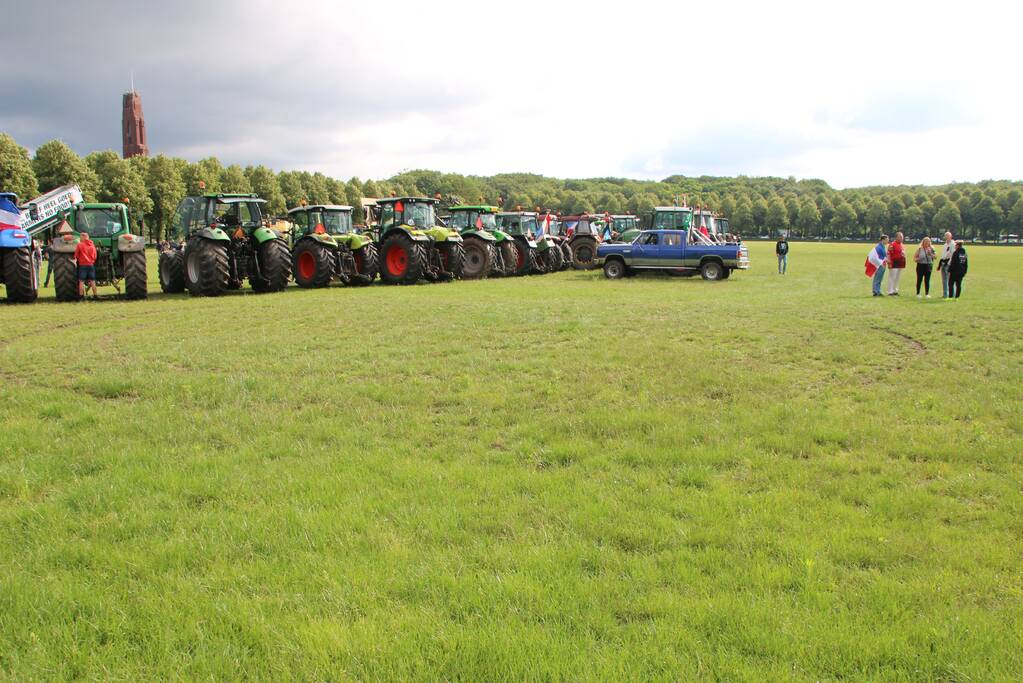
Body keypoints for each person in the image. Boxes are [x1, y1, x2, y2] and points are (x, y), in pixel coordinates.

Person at [74, 231, 99, 300]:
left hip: (83, 265)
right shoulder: (92, 245)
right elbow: (95, 256)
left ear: (83, 237)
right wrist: (92, 261)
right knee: (93, 281)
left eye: (80, 237)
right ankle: (95, 295)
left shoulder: (80, 245)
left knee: (81, 281)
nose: (80, 238)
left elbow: (76, 255)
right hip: (91, 265)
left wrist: (78, 260)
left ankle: (81, 296)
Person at [938, 231, 955, 298]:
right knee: (944, 280)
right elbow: (943, 254)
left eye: (948, 236)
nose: (946, 237)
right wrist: (941, 262)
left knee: (950, 280)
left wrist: (949, 263)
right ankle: (945, 294)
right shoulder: (945, 244)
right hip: (943, 263)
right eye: (945, 236)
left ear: (951, 236)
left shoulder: (952, 244)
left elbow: (952, 255)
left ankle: (952, 295)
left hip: (949, 264)